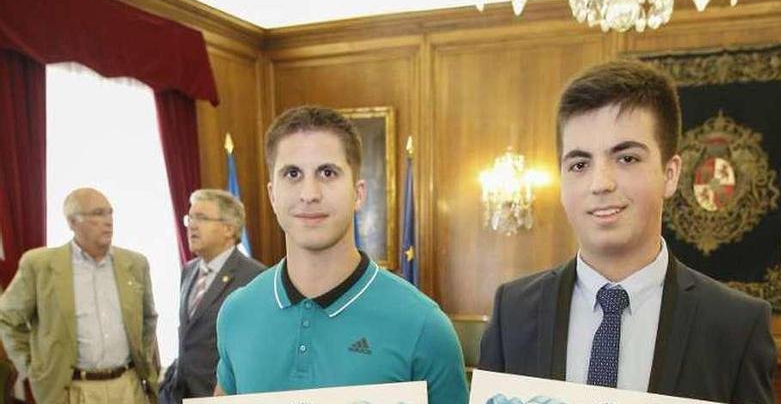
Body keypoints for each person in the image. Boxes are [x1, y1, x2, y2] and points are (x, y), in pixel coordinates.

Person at [479, 60, 777, 403]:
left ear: (670, 173)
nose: (600, 183)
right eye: (579, 164)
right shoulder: (512, 311)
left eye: (627, 159)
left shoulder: (736, 325)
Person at [214, 106, 468, 403]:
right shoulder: (237, 312)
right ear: (273, 194)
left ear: (358, 193)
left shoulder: (424, 325)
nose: (309, 193)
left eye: (327, 172)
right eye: (293, 174)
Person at [0, 187, 159, 404]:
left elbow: (148, 319)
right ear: (72, 222)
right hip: (72, 390)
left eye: (109, 212)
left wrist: (146, 362)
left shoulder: (135, 263)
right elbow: (7, 318)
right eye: (97, 213)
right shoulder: (40, 265)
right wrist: (33, 368)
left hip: (128, 386)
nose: (108, 220)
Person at [159, 189, 264, 403]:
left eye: (202, 218)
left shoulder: (255, 277)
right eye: (190, 218)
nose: (192, 226)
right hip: (179, 393)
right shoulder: (189, 270)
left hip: (218, 395)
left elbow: (255, 352)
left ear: (228, 229)